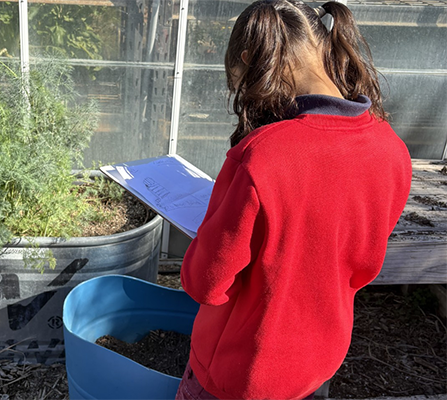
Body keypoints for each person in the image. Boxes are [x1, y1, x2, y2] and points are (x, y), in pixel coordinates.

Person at [176, 1, 412, 399]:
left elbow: (206, 283)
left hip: (238, 373)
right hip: (318, 364)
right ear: (325, 44)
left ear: (252, 62)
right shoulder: (392, 150)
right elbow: (359, 262)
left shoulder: (262, 157)